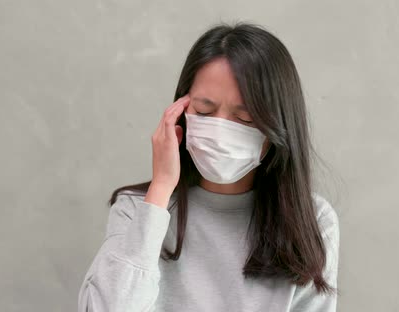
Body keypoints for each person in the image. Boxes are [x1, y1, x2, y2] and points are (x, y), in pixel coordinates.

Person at [78, 22, 340, 312]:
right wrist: (160, 190)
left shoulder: (312, 223)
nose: (220, 129)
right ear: (180, 111)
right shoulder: (136, 210)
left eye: (245, 119)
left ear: (277, 127)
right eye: (204, 111)